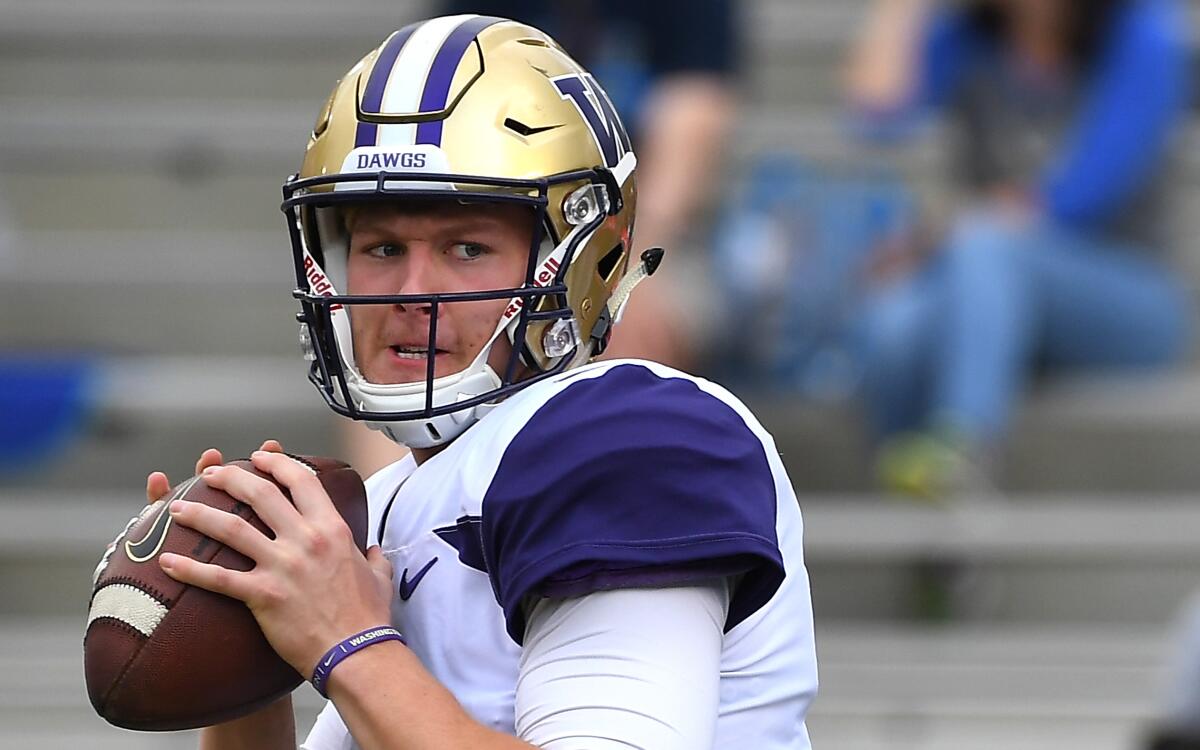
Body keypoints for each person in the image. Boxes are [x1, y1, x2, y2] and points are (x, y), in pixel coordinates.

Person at [142, 15, 817, 749]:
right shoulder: (389, 499)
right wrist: (243, 661)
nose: (411, 289)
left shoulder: (633, 432)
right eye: (381, 246)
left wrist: (348, 643)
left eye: (467, 247)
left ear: (583, 262)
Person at [844, 0, 1193, 497]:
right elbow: (876, 118)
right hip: (988, 292)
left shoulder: (1143, 31)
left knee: (988, 245)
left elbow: (1079, 197)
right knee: (892, 325)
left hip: (1132, 297)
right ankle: (929, 531)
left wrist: (941, 234)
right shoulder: (969, 39)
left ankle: (965, 448)